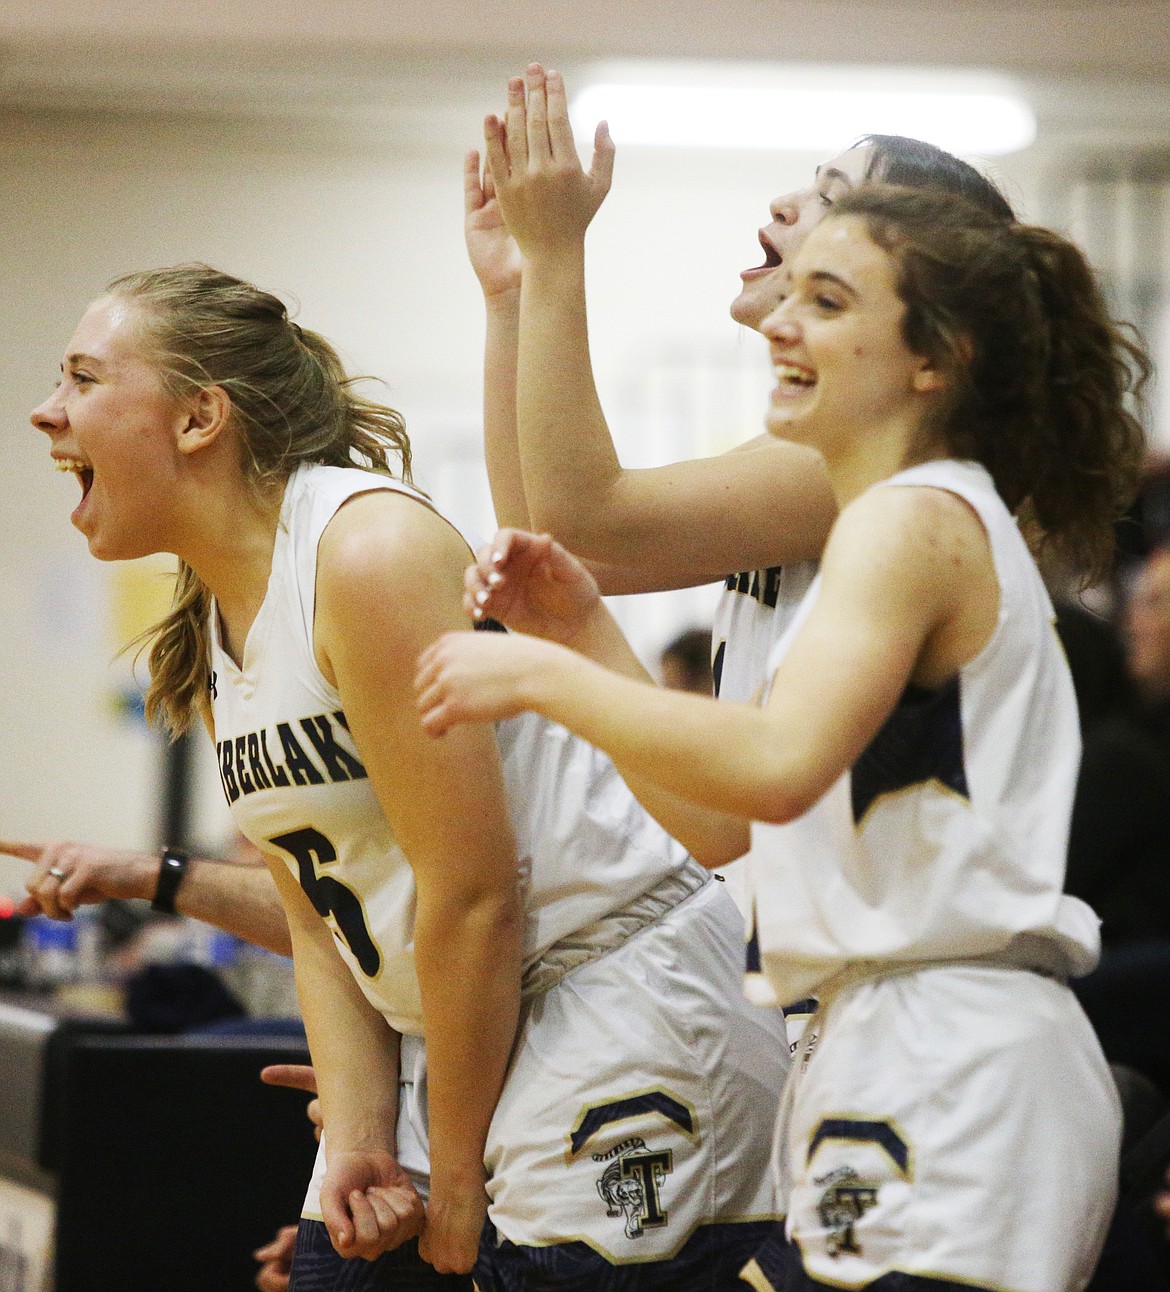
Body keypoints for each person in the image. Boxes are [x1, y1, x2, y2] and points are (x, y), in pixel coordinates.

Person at [415, 180, 1147, 1288]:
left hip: (952, 1051)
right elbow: (721, 813)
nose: (784, 325)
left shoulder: (912, 518)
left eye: (829, 301)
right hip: (877, 1038)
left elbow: (775, 763)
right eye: (792, 294)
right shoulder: (898, 521)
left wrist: (537, 679)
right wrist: (575, 633)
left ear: (932, 360)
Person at [28, 264, 788, 1289]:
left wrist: (458, 1171)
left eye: (81, 377)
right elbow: (317, 920)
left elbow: (475, 899)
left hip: (609, 1001)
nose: (46, 410)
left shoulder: (365, 548)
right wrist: (357, 1136)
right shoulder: (213, 617)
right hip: (468, 1032)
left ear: (199, 416)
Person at [463, 64, 1017, 719]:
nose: (784, 201)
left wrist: (558, 252)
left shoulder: (881, 466)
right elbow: (547, 540)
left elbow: (585, 512)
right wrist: (512, 295)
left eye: (830, 200)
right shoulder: (813, 453)